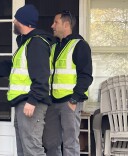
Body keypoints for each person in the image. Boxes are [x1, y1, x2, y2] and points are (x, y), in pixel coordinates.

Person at [0, 5, 53, 156]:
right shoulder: (26, 43)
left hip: (31, 103)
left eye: (15, 18)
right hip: (23, 102)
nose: (13, 21)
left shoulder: (36, 43)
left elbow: (42, 75)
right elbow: (10, 67)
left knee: (33, 149)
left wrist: (32, 100)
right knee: (24, 149)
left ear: (23, 21)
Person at [42, 10, 93, 156]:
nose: (52, 26)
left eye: (55, 22)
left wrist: (74, 99)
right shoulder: (53, 47)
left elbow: (86, 76)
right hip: (52, 102)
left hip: (70, 102)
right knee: (50, 143)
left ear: (66, 25)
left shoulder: (80, 45)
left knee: (70, 143)